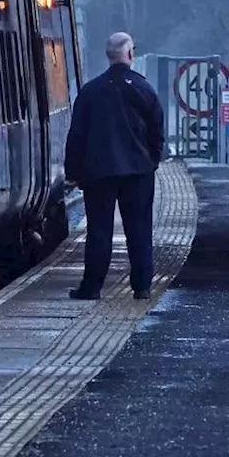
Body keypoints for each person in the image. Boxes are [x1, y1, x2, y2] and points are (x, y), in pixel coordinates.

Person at [63, 32, 165, 301]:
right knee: (140, 229)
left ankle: (92, 287)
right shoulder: (144, 89)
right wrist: (152, 161)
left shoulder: (90, 91)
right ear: (130, 54)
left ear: (109, 56)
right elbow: (157, 131)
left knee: (99, 231)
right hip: (138, 173)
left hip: (98, 173)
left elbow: (76, 136)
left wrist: (73, 172)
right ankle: (142, 286)